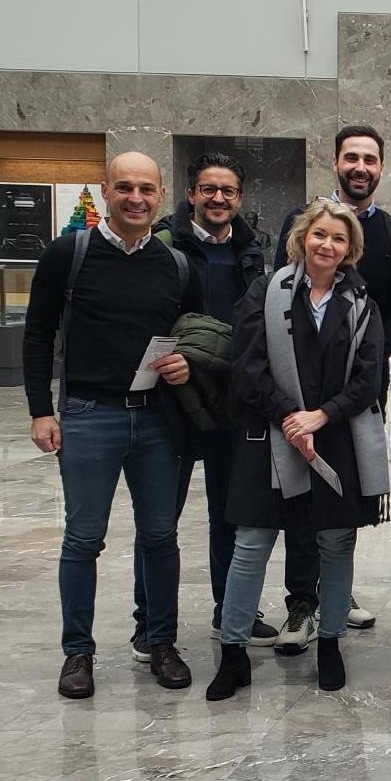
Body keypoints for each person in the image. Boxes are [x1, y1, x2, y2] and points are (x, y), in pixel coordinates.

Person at [23, 151, 203, 699]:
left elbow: (194, 335)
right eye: (124, 187)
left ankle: (160, 641)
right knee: (83, 539)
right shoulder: (69, 254)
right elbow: (37, 334)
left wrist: (185, 364)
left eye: (147, 189)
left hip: (155, 420)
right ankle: (78, 653)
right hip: (86, 416)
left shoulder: (176, 265)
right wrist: (39, 410)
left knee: (160, 536)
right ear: (105, 192)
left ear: (159, 195)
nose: (136, 199)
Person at [208, 199, 387, 701]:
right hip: (268, 437)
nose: (327, 245)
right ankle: (234, 653)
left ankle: (329, 642)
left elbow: (368, 377)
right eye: (319, 235)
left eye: (338, 238)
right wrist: (290, 416)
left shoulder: (362, 304)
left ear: (350, 249)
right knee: (250, 546)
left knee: (335, 546)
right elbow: (247, 366)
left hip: (334, 438)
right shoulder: (266, 292)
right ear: (301, 239)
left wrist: (320, 415)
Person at [127, 151, 277, 663]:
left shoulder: (253, 251)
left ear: (239, 198)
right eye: (208, 190)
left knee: (231, 514)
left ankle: (230, 611)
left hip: (230, 399)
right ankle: (149, 625)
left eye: (228, 191)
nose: (218, 199)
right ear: (191, 194)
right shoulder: (163, 246)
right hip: (169, 398)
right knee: (158, 518)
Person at [272, 124, 391, 649]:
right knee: (300, 497)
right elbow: (279, 301)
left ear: (381, 168)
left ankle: (337, 595)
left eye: (370, 159)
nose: (360, 167)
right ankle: (300, 603)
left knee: (341, 500)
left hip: (357, 392)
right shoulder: (302, 221)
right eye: (351, 157)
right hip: (298, 390)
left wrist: (365, 350)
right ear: (335, 163)